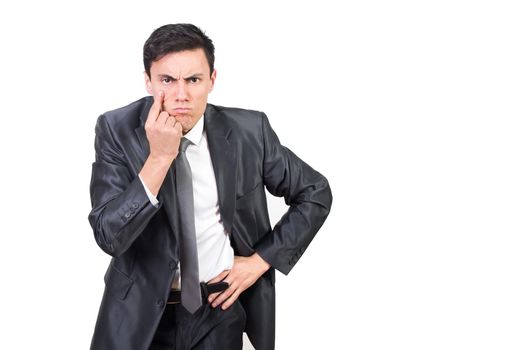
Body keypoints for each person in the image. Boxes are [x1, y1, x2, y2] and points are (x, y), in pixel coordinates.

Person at [88, 23, 332, 350]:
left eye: (193, 80)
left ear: (212, 80)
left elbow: (314, 193)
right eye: (166, 80)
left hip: (219, 310)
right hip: (141, 314)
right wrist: (159, 158)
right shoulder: (116, 130)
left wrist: (261, 260)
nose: (180, 95)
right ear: (148, 81)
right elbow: (109, 236)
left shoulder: (249, 132)